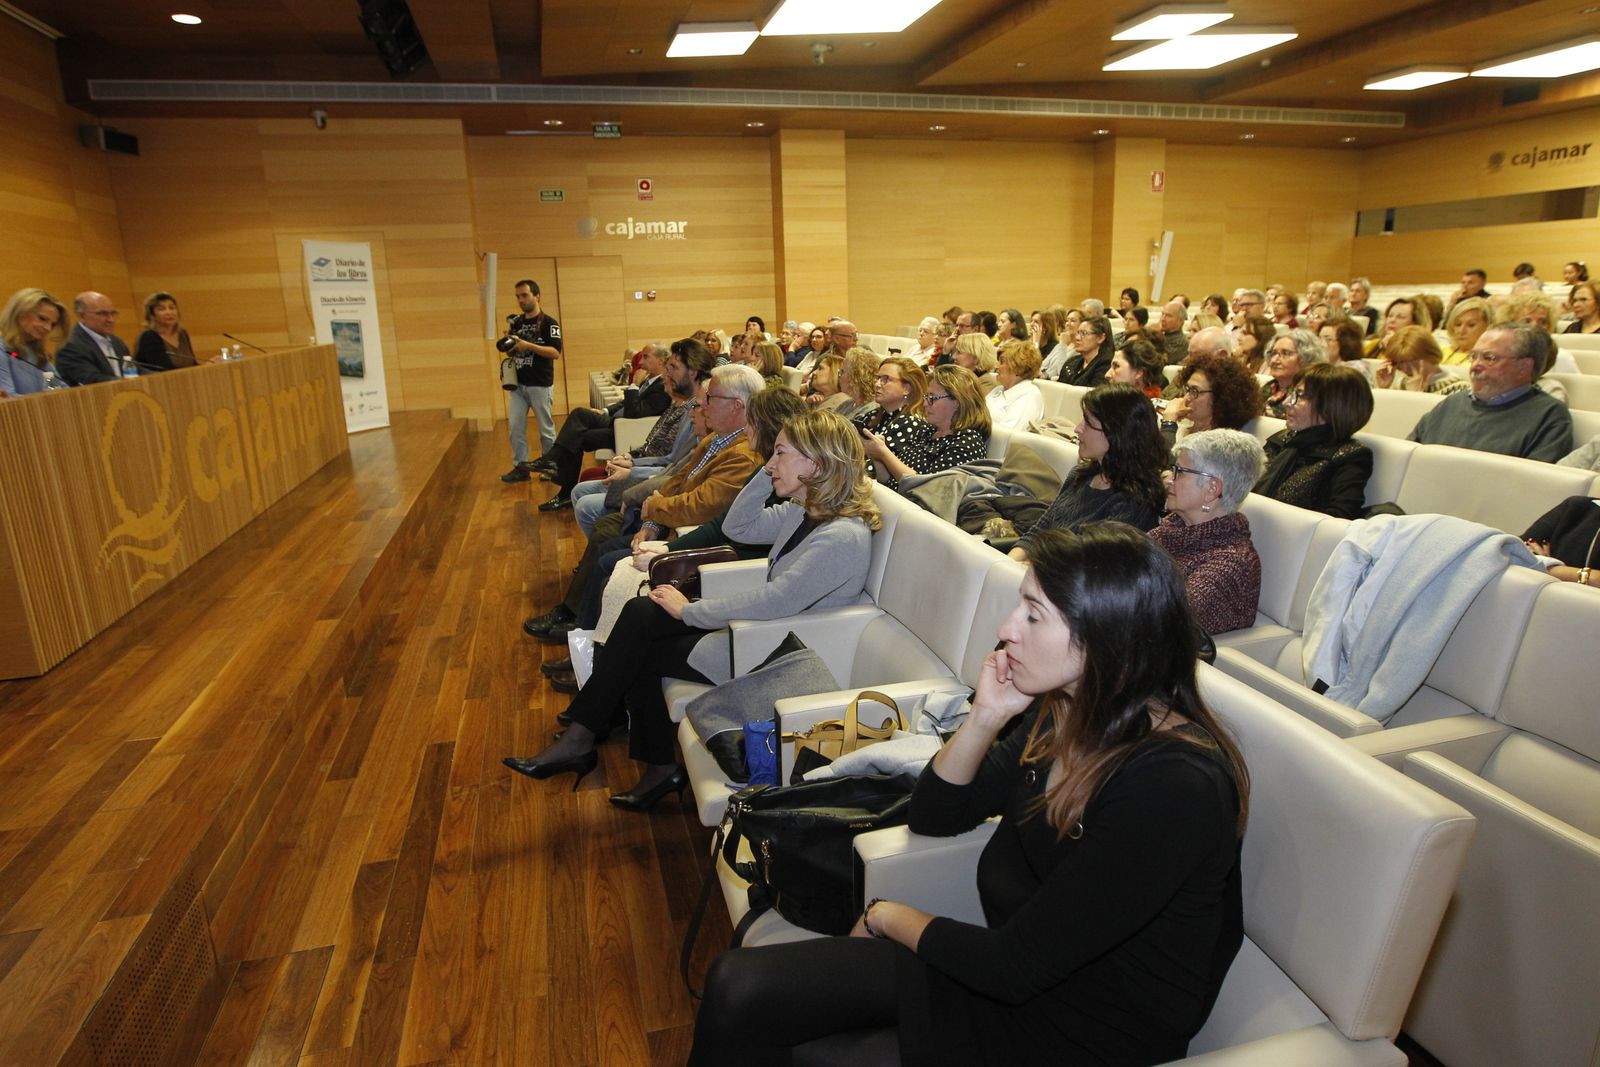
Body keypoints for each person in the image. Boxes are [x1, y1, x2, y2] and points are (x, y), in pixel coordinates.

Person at [689, 523, 1249, 1067]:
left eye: (1034, 614)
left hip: (1079, 1029)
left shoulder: (1173, 787)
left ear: (1108, 635)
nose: (1008, 628)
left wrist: (888, 915)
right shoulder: (1065, 715)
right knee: (737, 986)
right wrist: (984, 718)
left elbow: (1015, 966)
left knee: (806, 1050)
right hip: (1005, 980)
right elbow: (936, 813)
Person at [505, 410, 883, 808]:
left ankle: (607, 747)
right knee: (641, 614)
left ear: (817, 463)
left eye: (781, 454)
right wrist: (769, 472)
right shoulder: (805, 510)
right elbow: (740, 526)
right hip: (760, 633)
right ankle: (593, 740)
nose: (770, 463)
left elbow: (776, 601)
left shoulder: (841, 535)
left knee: (639, 644)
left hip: (776, 654)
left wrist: (689, 612)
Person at [524, 365, 766, 642]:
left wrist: (654, 509)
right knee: (606, 537)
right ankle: (578, 625)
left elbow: (699, 507)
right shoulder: (716, 438)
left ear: (736, 406)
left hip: (689, 538)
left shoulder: (742, 455)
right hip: (669, 523)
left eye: (711, 398)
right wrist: (651, 519)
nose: (704, 405)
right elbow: (677, 480)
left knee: (607, 558)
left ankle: (583, 635)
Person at [1011, 383, 1166, 560]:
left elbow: (1090, 564)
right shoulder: (1080, 475)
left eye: (1089, 423)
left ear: (1117, 432)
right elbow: (1040, 530)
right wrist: (1008, 564)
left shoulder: (1136, 500)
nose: (1077, 428)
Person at [1152, 429, 1266, 635]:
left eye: (1179, 472)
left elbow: (1162, 621)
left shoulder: (1231, 564)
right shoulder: (1170, 532)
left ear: (1212, 489)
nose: (1168, 479)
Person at [1408, 323, 1573, 463]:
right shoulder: (1451, 404)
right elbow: (1409, 458)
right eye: (1474, 356)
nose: (1475, 366)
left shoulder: (1549, 416)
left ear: (1524, 367)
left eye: (1489, 358)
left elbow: (1532, 486)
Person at [537, 342, 672, 510]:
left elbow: (633, 413)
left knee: (578, 434)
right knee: (580, 416)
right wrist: (605, 411)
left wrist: (634, 386)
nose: (641, 361)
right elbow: (625, 403)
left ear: (660, 361)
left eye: (646, 357)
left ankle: (556, 471)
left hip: (627, 430)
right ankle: (558, 473)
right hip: (617, 423)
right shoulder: (650, 379)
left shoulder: (662, 386)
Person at [1254, 363, 1374, 520]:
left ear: (1331, 406)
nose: (1287, 403)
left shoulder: (1349, 456)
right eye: (1292, 394)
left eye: (1300, 396)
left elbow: (1338, 521)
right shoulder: (1281, 440)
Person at [864, 363, 990, 486]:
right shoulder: (927, 431)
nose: (925, 404)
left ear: (958, 401)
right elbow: (889, 481)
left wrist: (884, 453)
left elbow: (926, 489)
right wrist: (877, 455)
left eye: (933, 398)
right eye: (926, 397)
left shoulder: (968, 443)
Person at [500, 279, 562, 483]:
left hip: (540, 384)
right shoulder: (516, 322)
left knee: (546, 429)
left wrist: (528, 345)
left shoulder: (549, 323)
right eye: (518, 296)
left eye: (525, 295)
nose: (521, 300)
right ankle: (521, 468)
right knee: (515, 427)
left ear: (537, 296)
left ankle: (550, 467)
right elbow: (510, 351)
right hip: (518, 384)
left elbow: (555, 352)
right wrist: (510, 342)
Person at [1166, 350, 1262, 434]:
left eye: (1195, 391)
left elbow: (1166, 456)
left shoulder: (1221, 445)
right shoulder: (1180, 429)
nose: (1186, 397)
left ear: (1221, 398)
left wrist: (1168, 423)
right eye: (1187, 389)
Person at [55, 291, 131, 386]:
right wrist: (129, 383)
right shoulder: (70, 346)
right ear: (81, 316)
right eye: (102, 314)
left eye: (113, 313)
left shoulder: (117, 342)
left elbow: (134, 369)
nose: (111, 320)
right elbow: (91, 380)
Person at [0, 288, 67, 394]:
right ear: (20, 312)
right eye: (42, 319)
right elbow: (7, 399)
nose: (48, 328)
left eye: (52, 324)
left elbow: (58, 390)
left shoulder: (38, 355)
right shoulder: (3, 348)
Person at [1523, 496, 1600, 587]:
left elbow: (1597, 580)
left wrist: (1546, 567)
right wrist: (1557, 570)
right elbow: (1516, 553)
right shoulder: (1578, 506)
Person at [1260, 329, 1324, 417]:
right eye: (1273, 353)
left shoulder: (1309, 395)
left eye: (1286, 353)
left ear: (1306, 358)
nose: (1275, 360)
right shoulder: (1267, 388)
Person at [1373, 325, 1454, 393]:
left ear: (1429, 355)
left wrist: (1415, 396)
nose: (1404, 368)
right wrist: (1383, 390)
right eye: (1399, 362)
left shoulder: (1456, 387)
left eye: (1410, 361)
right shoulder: (1402, 383)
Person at [985, 340, 1045, 431]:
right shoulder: (998, 390)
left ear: (1018, 368)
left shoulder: (1029, 396)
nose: (996, 366)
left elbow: (1007, 435)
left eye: (1001, 362)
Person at [133, 291, 199, 371]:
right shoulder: (149, 337)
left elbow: (192, 364)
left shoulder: (182, 334)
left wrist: (208, 365)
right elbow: (163, 370)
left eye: (172, 308)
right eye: (161, 309)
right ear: (152, 315)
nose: (168, 312)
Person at [1057, 315, 1114, 386]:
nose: (1077, 338)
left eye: (1084, 333)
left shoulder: (1108, 365)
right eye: (1078, 333)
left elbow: (1094, 394)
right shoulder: (1072, 362)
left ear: (1100, 338)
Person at [1441, 297, 1492, 365]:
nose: (1461, 331)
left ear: (1487, 326)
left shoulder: (1489, 360)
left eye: (1471, 325)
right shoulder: (1441, 353)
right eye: (1458, 324)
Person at [1029, 310, 1063, 378]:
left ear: (1045, 328)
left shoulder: (1054, 349)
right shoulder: (1027, 344)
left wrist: (1036, 344)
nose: (1031, 324)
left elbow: (1034, 370)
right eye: (1031, 320)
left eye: (1036, 322)